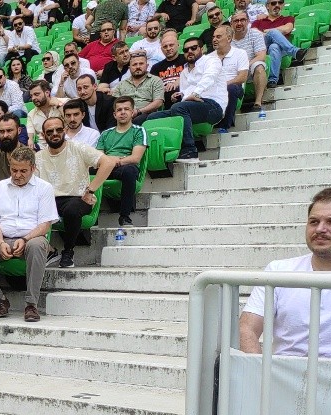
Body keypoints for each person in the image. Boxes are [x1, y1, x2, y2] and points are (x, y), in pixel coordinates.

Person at [240, 186, 331, 358]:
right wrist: (262, 377)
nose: (320, 229)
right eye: (314, 222)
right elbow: (247, 328)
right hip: (284, 379)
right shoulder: (279, 271)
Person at [0, 147, 59, 322]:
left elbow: (45, 224)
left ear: (33, 168)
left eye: (23, 171)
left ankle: (31, 304)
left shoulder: (44, 188)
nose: (17, 175)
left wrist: (25, 239)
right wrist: (0, 242)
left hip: (32, 237)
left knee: (37, 245)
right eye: (14, 170)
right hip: (3, 238)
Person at [35, 116, 116, 269]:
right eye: (50, 131)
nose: (55, 133)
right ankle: (49, 251)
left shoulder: (78, 148)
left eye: (59, 129)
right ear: (43, 135)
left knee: (72, 209)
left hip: (78, 198)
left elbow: (109, 162)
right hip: (50, 201)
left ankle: (68, 252)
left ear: (65, 130)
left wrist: (91, 190)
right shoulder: (38, 158)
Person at [144, 35, 225, 159]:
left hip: (213, 106)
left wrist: (194, 94)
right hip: (194, 106)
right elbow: (187, 92)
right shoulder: (185, 72)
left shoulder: (211, 61)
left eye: (193, 48)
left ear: (202, 49)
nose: (190, 51)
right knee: (153, 117)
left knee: (180, 108)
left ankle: (189, 149)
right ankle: (161, 152)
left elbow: (209, 78)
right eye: (186, 50)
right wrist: (181, 95)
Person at [95, 96, 148, 227]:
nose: (123, 112)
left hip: (124, 167)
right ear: (114, 114)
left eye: (126, 109)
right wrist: (108, 162)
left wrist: (114, 161)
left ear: (132, 112)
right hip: (106, 167)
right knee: (84, 169)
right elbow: (98, 158)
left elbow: (135, 158)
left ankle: (125, 216)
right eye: (119, 110)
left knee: (130, 171)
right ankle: (90, 215)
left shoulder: (139, 131)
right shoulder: (105, 134)